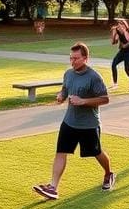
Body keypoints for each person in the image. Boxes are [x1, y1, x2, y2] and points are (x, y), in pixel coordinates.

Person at [33, 43, 114, 199]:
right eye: (71, 58)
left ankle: (108, 173)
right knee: (61, 152)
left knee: (96, 152)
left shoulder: (94, 77)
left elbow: (105, 99)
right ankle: (53, 187)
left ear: (85, 58)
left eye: (76, 58)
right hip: (69, 122)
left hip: (89, 125)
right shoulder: (68, 74)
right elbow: (65, 88)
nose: (73, 61)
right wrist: (61, 96)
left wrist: (83, 101)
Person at [109, 18, 129, 91]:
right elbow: (113, 42)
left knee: (127, 69)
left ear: (124, 26)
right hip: (121, 52)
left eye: (121, 25)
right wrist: (114, 34)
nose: (120, 27)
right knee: (113, 65)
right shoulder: (117, 31)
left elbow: (128, 42)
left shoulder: (128, 32)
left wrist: (123, 31)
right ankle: (115, 84)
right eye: (119, 25)